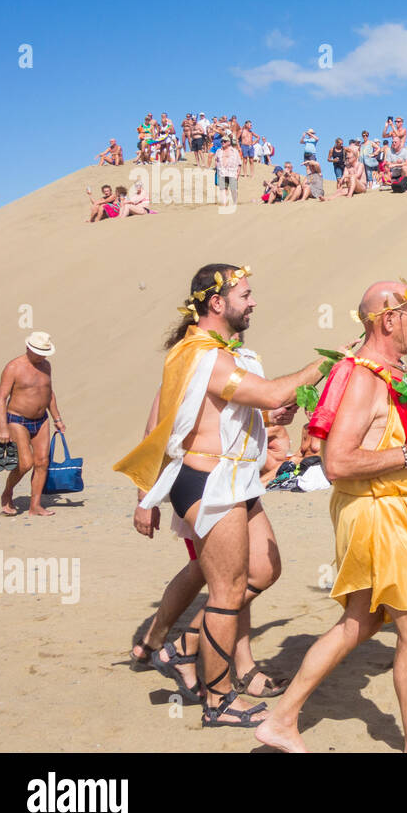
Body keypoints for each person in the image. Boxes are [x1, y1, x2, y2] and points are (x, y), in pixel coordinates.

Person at [256, 280, 407, 753]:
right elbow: (338, 462)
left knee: (361, 623)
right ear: (389, 320)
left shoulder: (387, 372)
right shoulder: (364, 377)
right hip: (375, 515)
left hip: (385, 512)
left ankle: (282, 720)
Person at [115, 264, 325, 727]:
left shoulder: (224, 354)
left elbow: (250, 409)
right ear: (217, 302)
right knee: (225, 593)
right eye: (245, 294)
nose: (252, 302)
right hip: (208, 482)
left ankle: (187, 645)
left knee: (264, 570)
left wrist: (274, 417)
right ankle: (219, 700)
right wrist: (325, 363)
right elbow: (163, 425)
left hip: (239, 480)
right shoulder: (200, 355)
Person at [0, 332, 65, 516]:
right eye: (38, 352)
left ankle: (35, 506)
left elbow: (48, 392)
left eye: (45, 352)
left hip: (41, 419)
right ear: (28, 348)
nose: (42, 356)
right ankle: (8, 492)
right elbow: (1, 399)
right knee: (26, 463)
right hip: (17, 419)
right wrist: (3, 428)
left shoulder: (46, 366)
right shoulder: (13, 367)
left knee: (42, 462)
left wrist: (57, 418)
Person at [214, 135, 241, 210]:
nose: (223, 142)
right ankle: (225, 204)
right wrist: (216, 169)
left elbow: (239, 163)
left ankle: (234, 203)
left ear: (229, 142)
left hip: (232, 173)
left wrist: (238, 173)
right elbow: (216, 160)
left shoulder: (234, 151)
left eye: (224, 141)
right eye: (222, 141)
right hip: (222, 173)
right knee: (223, 189)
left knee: (233, 189)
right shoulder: (218, 151)